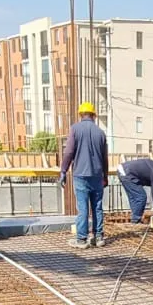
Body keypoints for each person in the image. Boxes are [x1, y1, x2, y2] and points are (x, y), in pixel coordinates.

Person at [59, 101, 109, 248]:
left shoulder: (75, 129)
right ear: (94, 115)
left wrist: (63, 170)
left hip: (80, 175)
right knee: (97, 207)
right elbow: (105, 158)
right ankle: (98, 237)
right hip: (97, 175)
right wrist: (105, 176)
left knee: (83, 208)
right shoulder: (101, 133)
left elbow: (68, 152)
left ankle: (82, 239)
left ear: (81, 115)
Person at [118, 157, 153, 229]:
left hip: (122, 170)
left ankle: (135, 220)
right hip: (127, 173)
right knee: (142, 197)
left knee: (134, 198)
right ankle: (135, 221)